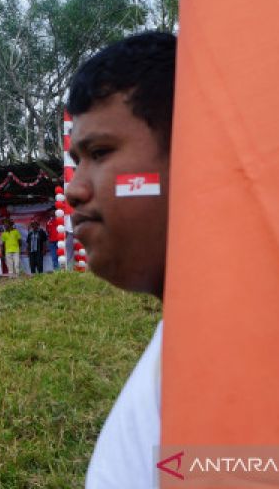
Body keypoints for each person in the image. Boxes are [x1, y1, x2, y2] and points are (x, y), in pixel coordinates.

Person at [64, 31, 175, 487]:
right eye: (77, 159)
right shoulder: (184, 342)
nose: (74, 188)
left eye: (100, 153)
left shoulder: (255, 347)